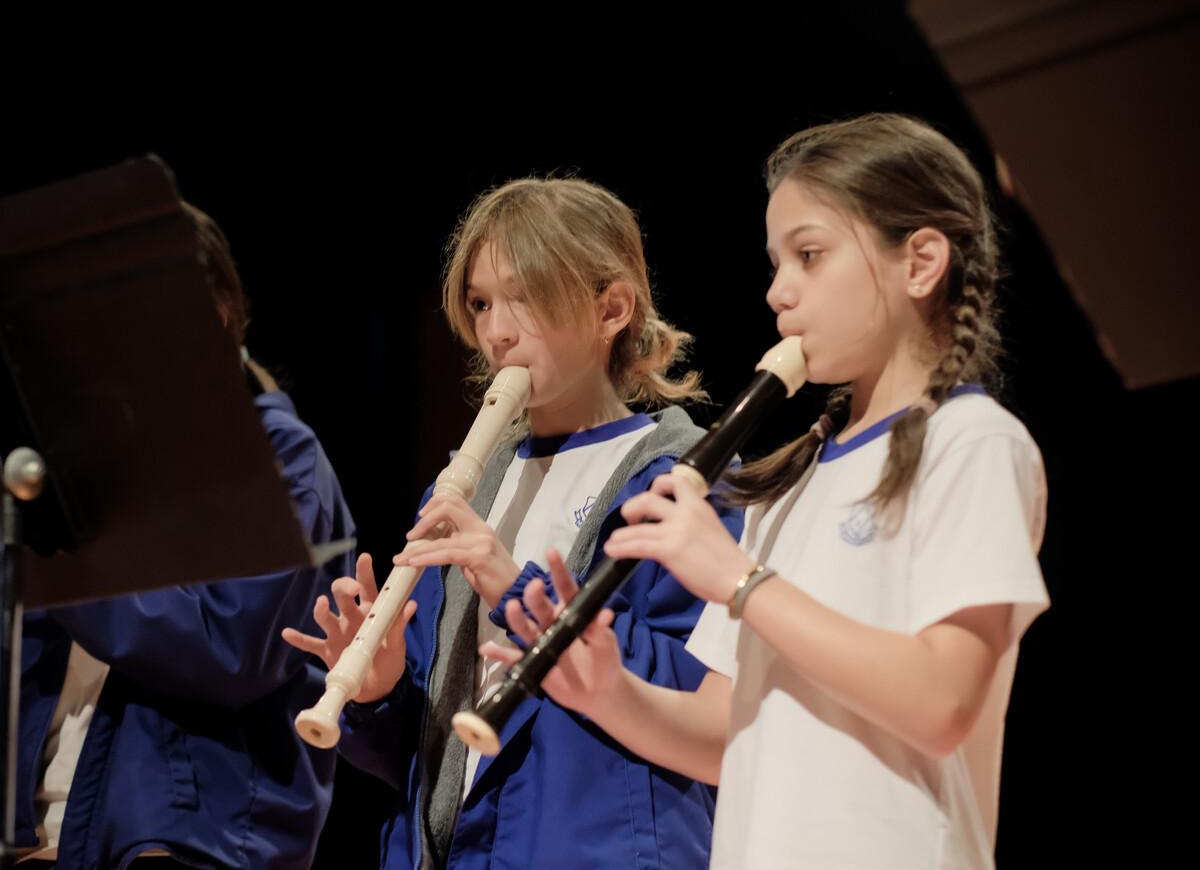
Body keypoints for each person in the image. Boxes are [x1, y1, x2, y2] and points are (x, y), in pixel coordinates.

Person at [492, 114, 1050, 870]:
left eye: (809, 256)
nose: (778, 292)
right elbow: (725, 737)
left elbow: (942, 702)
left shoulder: (973, 442)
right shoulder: (794, 475)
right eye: (776, 261)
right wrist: (605, 693)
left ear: (920, 263)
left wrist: (742, 583)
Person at [284, 177, 743, 869]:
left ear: (612, 307)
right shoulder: (466, 488)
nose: (496, 332)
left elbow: (698, 694)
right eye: (481, 302)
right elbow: (426, 760)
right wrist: (379, 691)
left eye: (525, 297)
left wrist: (514, 589)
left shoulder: (680, 481)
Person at [16, 203, 356, 869]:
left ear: (219, 314)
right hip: (50, 837)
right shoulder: (81, 467)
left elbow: (231, 643)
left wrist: (60, 571)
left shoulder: (277, 454)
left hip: (184, 843)